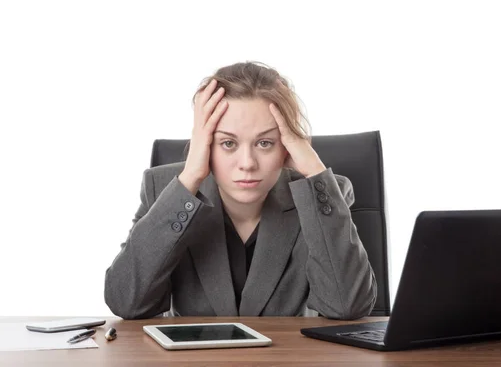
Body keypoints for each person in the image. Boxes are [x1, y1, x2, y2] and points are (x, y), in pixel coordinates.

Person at [104, 62, 377, 320]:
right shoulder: (165, 190)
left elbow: (347, 307)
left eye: (265, 143)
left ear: (286, 145)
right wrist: (189, 178)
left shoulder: (323, 195)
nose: (247, 164)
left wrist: (314, 170)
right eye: (228, 144)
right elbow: (126, 302)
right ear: (205, 145)